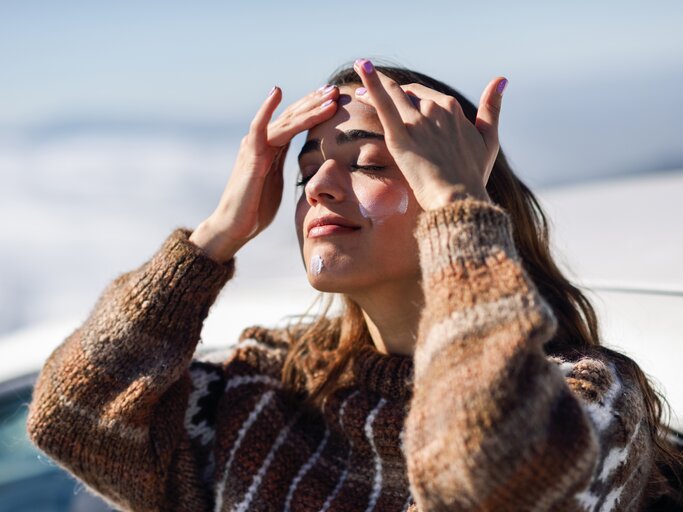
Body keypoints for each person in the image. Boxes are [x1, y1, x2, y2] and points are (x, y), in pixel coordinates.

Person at [26, 59, 683, 511]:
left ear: (458, 197)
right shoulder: (261, 392)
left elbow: (485, 485)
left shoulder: (583, 401)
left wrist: (458, 208)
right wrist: (215, 235)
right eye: (304, 171)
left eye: (366, 161)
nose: (318, 188)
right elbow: (71, 416)